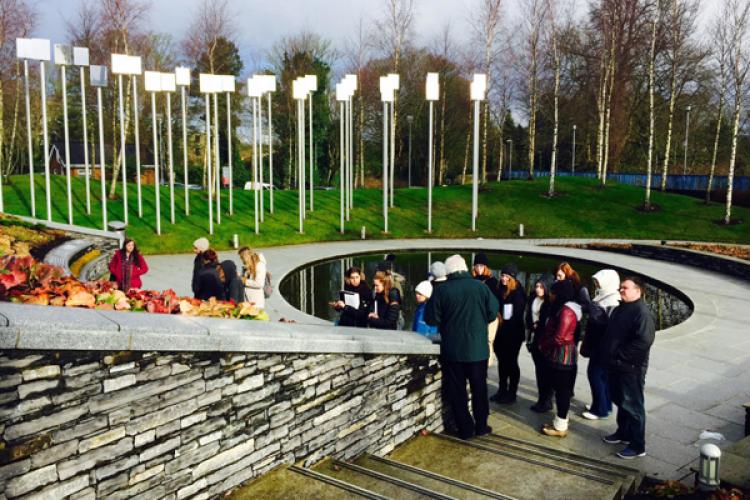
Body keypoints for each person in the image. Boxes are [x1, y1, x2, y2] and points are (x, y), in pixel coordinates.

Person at [425, 254, 499, 440]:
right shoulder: (480, 288)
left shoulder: (442, 290)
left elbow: (431, 318)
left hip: (453, 351)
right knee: (479, 389)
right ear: (465, 268)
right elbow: (492, 313)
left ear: (448, 272)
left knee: (457, 392)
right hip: (478, 351)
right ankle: (481, 426)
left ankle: (465, 429)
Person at [601, 276, 655, 459]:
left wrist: (619, 355)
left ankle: (638, 445)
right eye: (620, 287)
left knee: (633, 406)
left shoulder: (642, 313)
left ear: (637, 291)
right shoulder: (621, 308)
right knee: (620, 400)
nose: (621, 290)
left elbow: (644, 341)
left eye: (625, 288)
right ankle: (623, 433)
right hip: (616, 365)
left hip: (631, 368)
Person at [539, 279, 581, 438]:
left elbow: (560, 337)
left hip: (562, 355)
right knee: (561, 390)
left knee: (562, 391)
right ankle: (560, 421)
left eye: (553, 293)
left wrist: (544, 345)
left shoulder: (566, 312)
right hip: (561, 354)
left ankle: (560, 426)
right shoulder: (564, 309)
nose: (550, 295)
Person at [580, 269, 621, 420]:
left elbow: (610, 326)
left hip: (603, 345)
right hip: (598, 343)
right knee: (602, 376)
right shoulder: (603, 296)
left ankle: (600, 409)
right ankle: (604, 405)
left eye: (598, 282)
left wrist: (594, 313)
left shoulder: (612, 300)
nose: (596, 284)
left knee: (595, 375)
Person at [491, 263, 527, 404]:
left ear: (512, 278)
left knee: (511, 363)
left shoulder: (518, 292)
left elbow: (517, 315)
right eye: (502, 275)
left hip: (513, 335)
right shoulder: (499, 289)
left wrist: (503, 320)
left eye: (506, 276)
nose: (503, 278)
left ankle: (512, 393)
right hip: (500, 333)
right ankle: (502, 389)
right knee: (502, 362)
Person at [526, 278, 553, 412]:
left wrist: (539, 325)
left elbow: (547, 322)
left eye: (541, 287)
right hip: (534, 338)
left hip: (544, 339)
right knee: (539, 370)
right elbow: (528, 318)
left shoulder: (548, 303)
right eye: (537, 286)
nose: (538, 289)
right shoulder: (533, 299)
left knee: (544, 372)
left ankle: (546, 400)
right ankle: (542, 399)